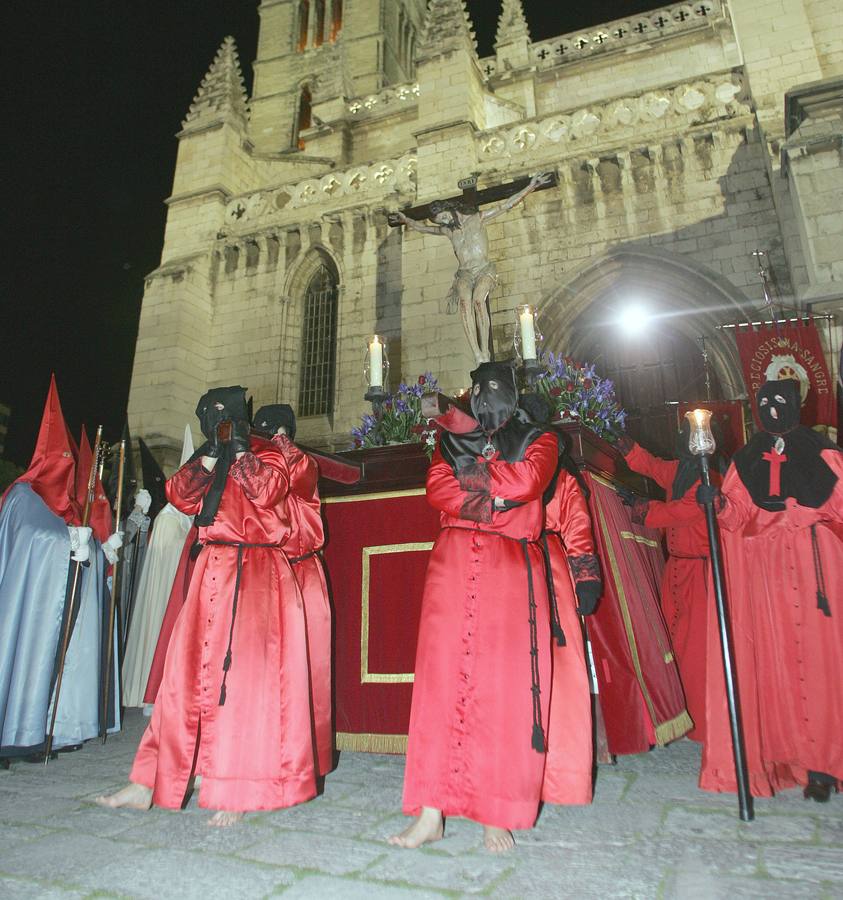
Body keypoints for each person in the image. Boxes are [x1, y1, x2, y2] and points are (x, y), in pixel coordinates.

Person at [97, 386, 319, 825]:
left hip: (256, 567)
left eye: (224, 414)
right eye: (210, 414)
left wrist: (240, 450)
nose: (217, 419)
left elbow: (270, 491)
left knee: (242, 682)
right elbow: (180, 497)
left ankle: (235, 786)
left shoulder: (268, 451)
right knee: (183, 678)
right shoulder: (207, 455)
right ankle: (148, 781)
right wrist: (213, 453)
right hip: (211, 567)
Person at [389, 362, 558, 852]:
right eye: (477, 391)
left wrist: (475, 485)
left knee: (499, 688)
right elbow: (436, 490)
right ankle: (430, 812)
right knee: (441, 684)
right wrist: (493, 498)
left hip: (509, 567)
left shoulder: (540, 437)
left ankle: (494, 811)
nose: (486, 398)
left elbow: (528, 481)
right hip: (454, 564)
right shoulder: (449, 440)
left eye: (495, 390)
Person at [700, 378, 843, 801]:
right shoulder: (746, 457)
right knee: (778, 664)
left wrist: (808, 515)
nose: (773, 409)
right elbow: (735, 514)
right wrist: (717, 502)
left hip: (819, 570)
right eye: (764, 403)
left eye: (781, 402)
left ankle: (826, 764)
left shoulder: (823, 450)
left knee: (824, 666)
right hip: (768, 578)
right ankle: (791, 759)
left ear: (797, 405)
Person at [517, 395, 601, 806]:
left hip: (549, 569)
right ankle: (515, 770)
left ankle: (561, 774)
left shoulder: (561, 476)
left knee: (560, 672)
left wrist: (586, 576)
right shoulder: (507, 466)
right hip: (510, 569)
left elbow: (577, 525)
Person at [615, 423, 721, 743]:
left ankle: (703, 723)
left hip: (700, 577)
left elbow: (681, 512)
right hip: (675, 569)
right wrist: (627, 447)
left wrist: (641, 508)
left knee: (695, 652)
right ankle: (679, 713)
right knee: (674, 647)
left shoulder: (709, 479)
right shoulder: (680, 470)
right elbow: (652, 467)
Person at [393, 173, 551, 365]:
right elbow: (423, 228)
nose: (443, 222)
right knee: (464, 303)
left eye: (443, 217)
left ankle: (485, 350)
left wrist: (531, 186)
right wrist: (405, 219)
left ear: (449, 209)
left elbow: (507, 204)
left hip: (484, 269)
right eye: (439, 221)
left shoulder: (478, 218)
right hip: (465, 274)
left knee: (478, 301)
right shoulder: (448, 231)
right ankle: (477, 354)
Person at [253, 403, 333, 778]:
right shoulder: (258, 465)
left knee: (307, 665)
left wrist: (280, 444)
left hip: (302, 571)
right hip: (265, 572)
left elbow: (299, 474)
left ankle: (306, 756)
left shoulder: (299, 463)